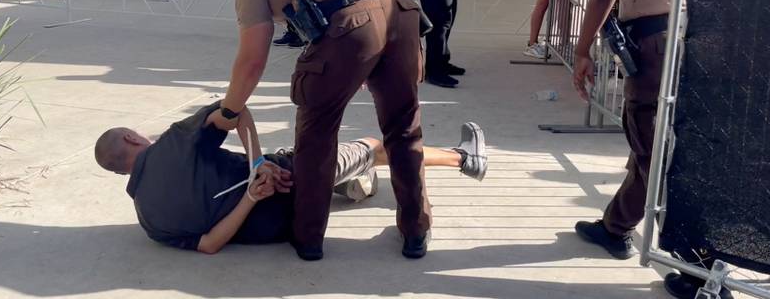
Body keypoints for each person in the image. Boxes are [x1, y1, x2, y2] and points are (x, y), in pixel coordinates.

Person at [215, 0, 431, 261]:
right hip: (403, 11)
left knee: (317, 133)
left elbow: (252, 59)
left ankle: (308, 237)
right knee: (404, 126)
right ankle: (416, 230)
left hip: (350, 24)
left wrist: (229, 110)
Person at [569, 0, 729, 299]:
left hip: (654, 45)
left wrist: (582, 52)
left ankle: (701, 268)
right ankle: (615, 225)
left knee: (652, 149)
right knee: (663, 145)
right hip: (700, 43)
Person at [95, 102, 488, 255]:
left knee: (339, 170)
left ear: (119, 172)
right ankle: (462, 158)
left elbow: (210, 244)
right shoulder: (173, 142)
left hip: (284, 227)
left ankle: (355, 184)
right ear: (132, 138)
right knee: (373, 145)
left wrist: (250, 197)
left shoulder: (149, 221)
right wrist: (256, 167)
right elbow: (237, 112)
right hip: (292, 177)